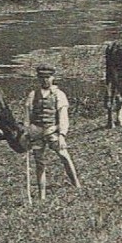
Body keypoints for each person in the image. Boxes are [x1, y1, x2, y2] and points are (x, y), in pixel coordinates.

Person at [24, 65, 81, 200]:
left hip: (52, 131)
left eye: (48, 77)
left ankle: (76, 184)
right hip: (36, 133)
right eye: (42, 78)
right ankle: (41, 195)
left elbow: (63, 117)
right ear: (38, 79)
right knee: (39, 163)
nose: (45, 81)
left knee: (64, 155)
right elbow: (27, 116)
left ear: (53, 78)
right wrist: (27, 133)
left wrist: (62, 135)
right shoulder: (33, 95)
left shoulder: (58, 95)